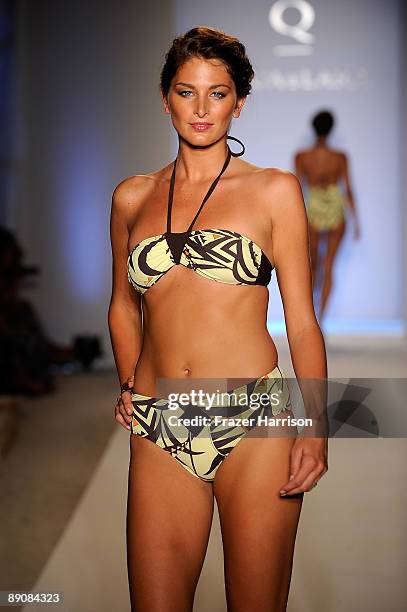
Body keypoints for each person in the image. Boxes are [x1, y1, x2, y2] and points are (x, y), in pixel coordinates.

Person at [108, 26, 328, 612]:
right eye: (186, 92)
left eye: (218, 93)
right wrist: (128, 380)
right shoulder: (132, 197)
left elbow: (302, 321)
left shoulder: (274, 190)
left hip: (253, 417)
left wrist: (315, 425)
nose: (201, 109)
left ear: (240, 101)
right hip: (160, 423)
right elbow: (123, 304)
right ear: (165, 97)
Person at [295, 110, 360, 323]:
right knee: (328, 266)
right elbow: (348, 189)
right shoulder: (339, 157)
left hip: (313, 206)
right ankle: (320, 319)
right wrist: (357, 221)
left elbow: (297, 188)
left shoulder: (302, 157)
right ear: (331, 129)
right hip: (335, 206)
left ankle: (312, 318)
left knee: (314, 265)